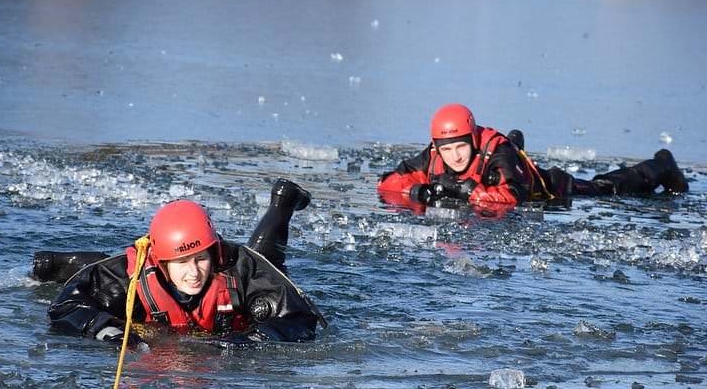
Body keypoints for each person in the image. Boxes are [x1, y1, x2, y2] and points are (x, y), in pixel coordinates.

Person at [38, 178, 325, 345]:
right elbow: (66, 306)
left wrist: (252, 339)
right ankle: (59, 264)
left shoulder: (241, 269)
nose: (193, 273)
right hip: (113, 271)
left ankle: (284, 202)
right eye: (182, 262)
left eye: (201, 259)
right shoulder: (134, 274)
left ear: (214, 253)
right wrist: (105, 330)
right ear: (161, 263)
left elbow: (300, 319)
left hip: (251, 275)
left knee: (267, 259)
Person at [378, 103, 688, 210]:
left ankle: (662, 165)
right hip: (503, 172)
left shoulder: (493, 150)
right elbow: (387, 183)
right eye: (447, 150)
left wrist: (467, 190)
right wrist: (418, 190)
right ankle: (519, 146)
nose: (455, 156)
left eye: (461, 147)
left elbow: (513, 196)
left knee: (605, 188)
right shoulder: (435, 155)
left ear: (473, 139)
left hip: (550, 189)